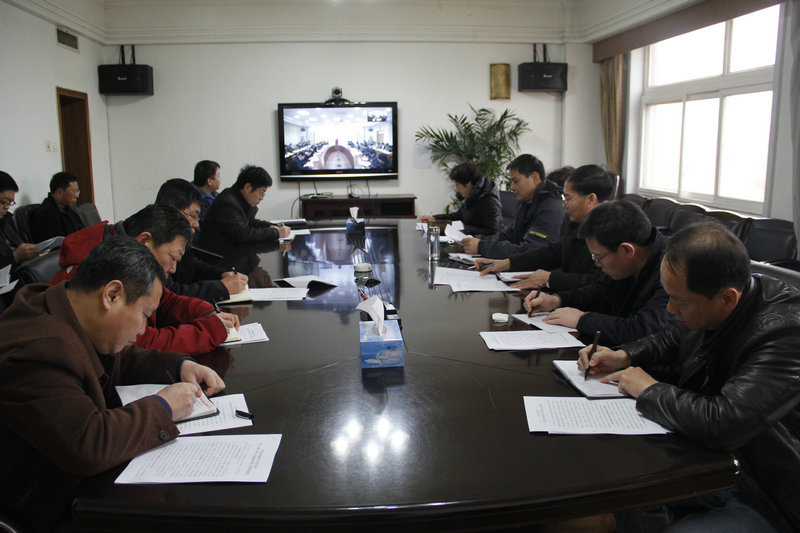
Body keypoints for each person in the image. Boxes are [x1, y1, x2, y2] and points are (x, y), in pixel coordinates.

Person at [579, 222, 800, 533]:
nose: (670, 310)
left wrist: (650, 390)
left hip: (770, 494)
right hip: (723, 461)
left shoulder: (786, 332)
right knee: (626, 478)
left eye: (679, 302)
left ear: (727, 299)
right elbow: (674, 338)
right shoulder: (724, 297)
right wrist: (624, 355)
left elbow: (725, 422)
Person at [0, 236, 225, 533]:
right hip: (46, 507)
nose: (143, 329)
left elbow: (123, 357)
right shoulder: (39, 349)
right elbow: (88, 444)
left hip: (76, 486)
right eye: (144, 315)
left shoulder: (68, 308)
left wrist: (180, 365)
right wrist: (164, 407)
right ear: (112, 295)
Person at [51, 204, 238, 356]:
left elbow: (166, 300)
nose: (173, 269)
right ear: (144, 241)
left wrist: (208, 313)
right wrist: (208, 332)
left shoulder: (129, 258)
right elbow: (140, 341)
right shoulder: (104, 267)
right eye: (172, 258)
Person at [524, 200, 675, 345]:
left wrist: (582, 320)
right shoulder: (628, 262)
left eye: (598, 257)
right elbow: (600, 292)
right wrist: (556, 300)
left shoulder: (673, 271)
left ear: (626, 250)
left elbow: (644, 331)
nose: (597, 264)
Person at [475, 164, 613, 291]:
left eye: (568, 198)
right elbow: (553, 252)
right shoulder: (575, 222)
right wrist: (507, 263)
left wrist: (550, 279)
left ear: (591, 199)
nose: (564, 205)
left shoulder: (611, 233)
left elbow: (600, 284)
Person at [155, 178, 248, 302]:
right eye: (193, 216)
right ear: (173, 211)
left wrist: (221, 275)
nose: (196, 224)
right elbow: (169, 295)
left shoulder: (175, 238)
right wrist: (221, 288)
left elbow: (191, 265)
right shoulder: (154, 242)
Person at [461, 154, 563, 258]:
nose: (512, 187)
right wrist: (475, 240)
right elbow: (509, 235)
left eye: (516, 181)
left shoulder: (552, 208)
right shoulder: (527, 202)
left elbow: (532, 251)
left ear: (535, 178)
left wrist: (481, 247)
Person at [199, 164, 291, 256]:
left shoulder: (239, 199)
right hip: (219, 258)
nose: (262, 198)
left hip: (234, 253)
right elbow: (241, 234)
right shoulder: (228, 203)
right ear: (247, 187)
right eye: (261, 193)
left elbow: (250, 222)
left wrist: (271, 226)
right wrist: (275, 233)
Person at [420, 162, 502, 236]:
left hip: (481, 244)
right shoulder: (473, 195)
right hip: (469, 239)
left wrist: (466, 228)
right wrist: (435, 218)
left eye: (457, 184)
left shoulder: (489, 200)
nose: (457, 188)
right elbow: (458, 215)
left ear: (468, 183)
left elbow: (493, 231)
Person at [29, 171, 86, 242]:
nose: (77, 196)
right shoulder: (45, 214)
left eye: (77, 192)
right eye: (74, 191)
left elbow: (83, 231)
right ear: (59, 192)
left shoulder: (69, 210)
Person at [0, 171, 38, 272]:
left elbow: (18, 245)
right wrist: (15, 256)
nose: (6, 207)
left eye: (9, 203)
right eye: (3, 202)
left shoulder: (7, 219)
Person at [192, 160, 221, 225]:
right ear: (209, 181)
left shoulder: (215, 195)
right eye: (218, 175)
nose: (220, 179)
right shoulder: (202, 201)